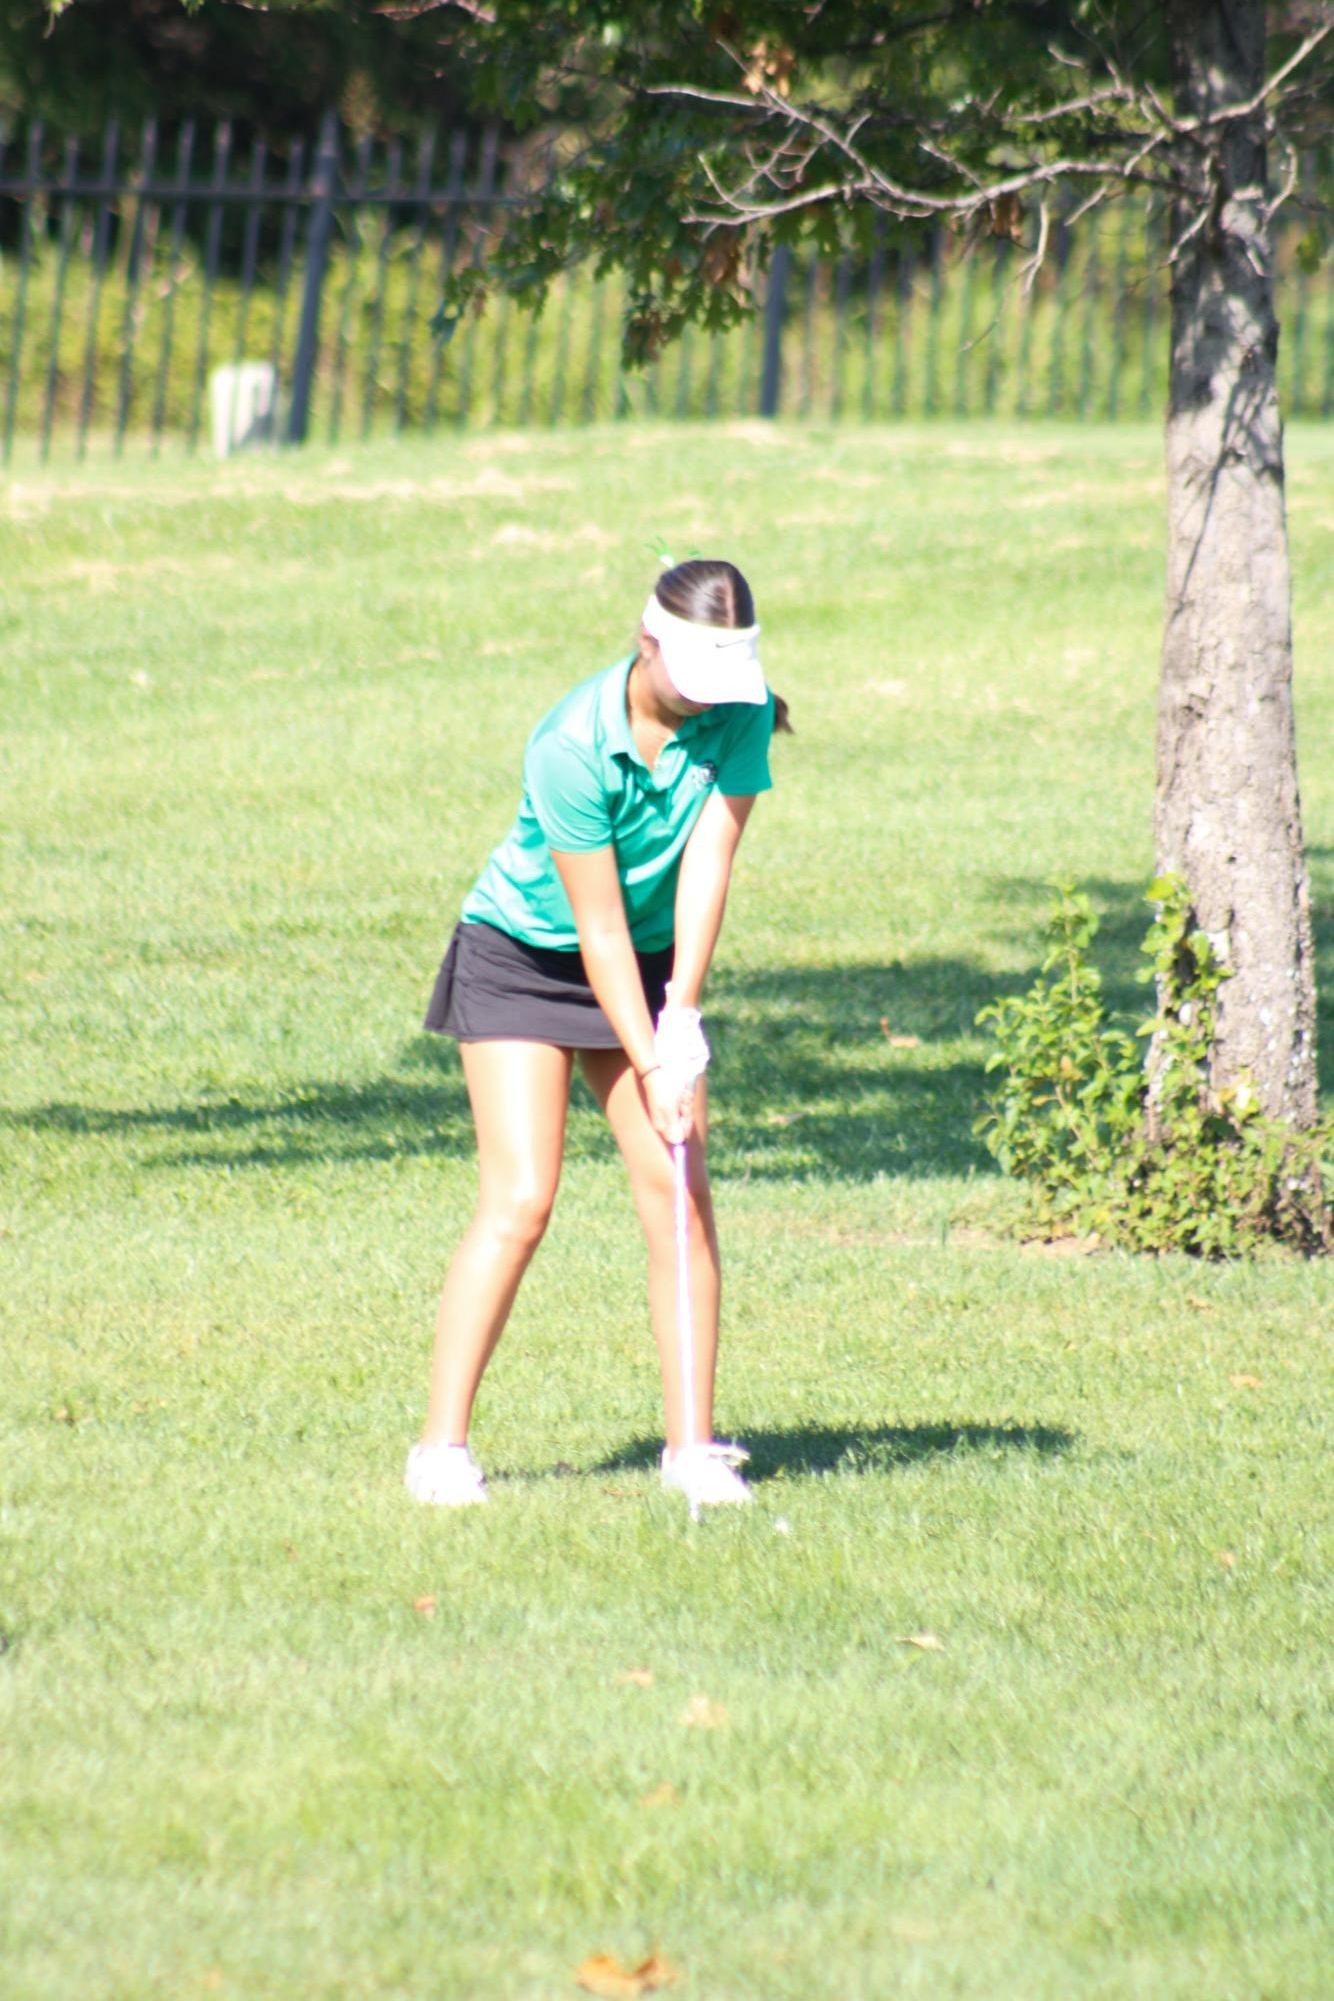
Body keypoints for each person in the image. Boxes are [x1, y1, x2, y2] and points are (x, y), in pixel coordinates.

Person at [407, 558, 788, 1511]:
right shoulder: (569, 742)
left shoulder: (739, 709)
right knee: (524, 1195)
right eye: (691, 683)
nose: (706, 706)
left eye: (721, 687)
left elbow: (711, 860)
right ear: (646, 643)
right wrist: (651, 1053)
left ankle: (690, 1448)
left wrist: (682, 1015)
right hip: (525, 956)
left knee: (679, 1183)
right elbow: (598, 925)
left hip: (652, 964)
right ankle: (440, 1449)